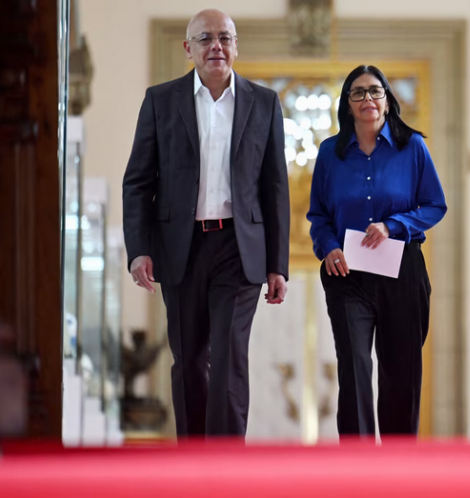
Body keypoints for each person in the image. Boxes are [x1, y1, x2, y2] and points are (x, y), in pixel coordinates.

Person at [122, 9, 290, 437]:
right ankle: (193, 457)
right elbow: (138, 181)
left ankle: (226, 463)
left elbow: (275, 186)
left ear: (235, 46)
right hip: (181, 247)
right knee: (190, 360)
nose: (216, 46)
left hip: (239, 247)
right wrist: (139, 250)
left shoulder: (264, 103)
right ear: (188, 48)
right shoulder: (161, 101)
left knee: (229, 357)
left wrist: (278, 265)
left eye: (224, 38)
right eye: (205, 38)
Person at [307, 65, 447, 437]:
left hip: (402, 271)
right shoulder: (330, 153)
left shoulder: (412, 147)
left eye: (375, 90)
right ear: (347, 103)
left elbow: (435, 205)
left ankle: (399, 464)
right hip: (346, 275)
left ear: (386, 100)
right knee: (354, 367)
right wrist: (328, 247)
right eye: (358, 92)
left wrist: (393, 225)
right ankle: (358, 461)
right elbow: (318, 216)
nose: (367, 98)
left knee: (401, 371)